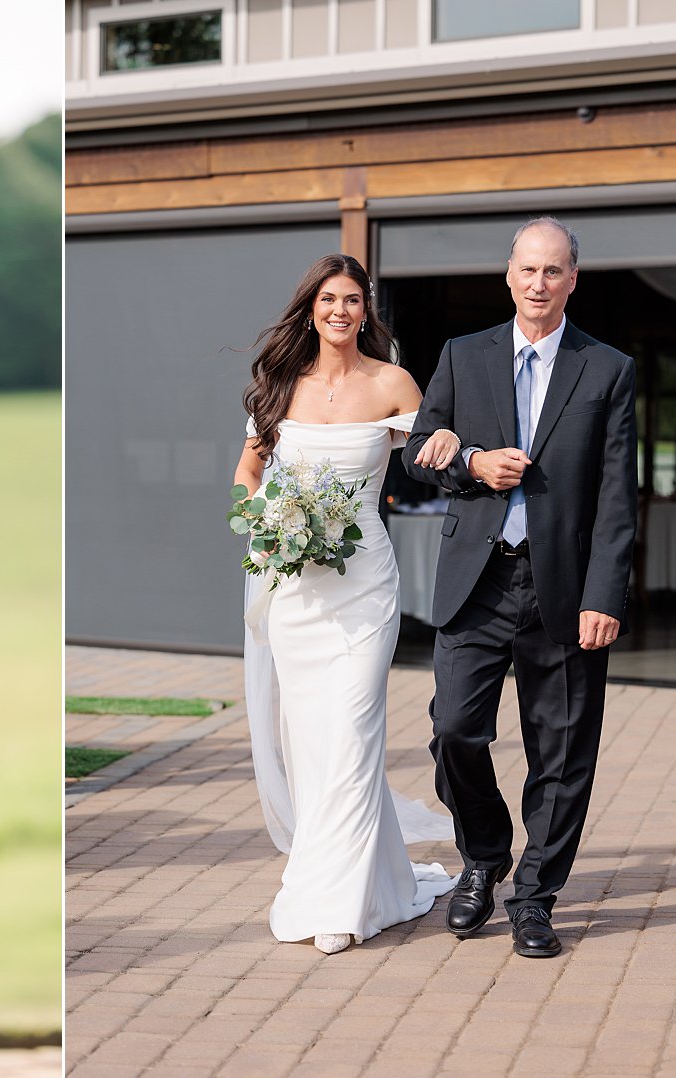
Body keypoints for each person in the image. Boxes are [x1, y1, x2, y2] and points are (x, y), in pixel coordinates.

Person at [402, 216, 636, 959]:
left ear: (574, 279)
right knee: (454, 731)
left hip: (564, 588)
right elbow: (420, 450)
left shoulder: (608, 369)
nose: (540, 284)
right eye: (529, 270)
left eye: (555, 271)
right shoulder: (462, 356)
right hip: (478, 579)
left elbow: (617, 497)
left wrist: (606, 594)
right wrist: (468, 460)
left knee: (563, 752)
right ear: (509, 274)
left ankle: (535, 895)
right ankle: (485, 853)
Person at [235, 253, 456, 956]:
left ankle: (342, 902)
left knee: (354, 733)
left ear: (366, 310)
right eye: (328, 299)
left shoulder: (393, 384)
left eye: (352, 300)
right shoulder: (277, 387)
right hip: (297, 590)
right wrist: (267, 521)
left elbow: (433, 453)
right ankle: (355, 876)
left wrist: (452, 441)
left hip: (365, 587)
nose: (340, 310)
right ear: (310, 309)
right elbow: (249, 471)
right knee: (312, 739)